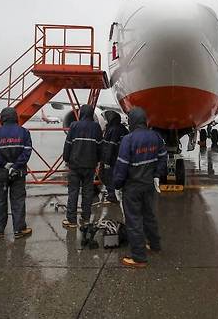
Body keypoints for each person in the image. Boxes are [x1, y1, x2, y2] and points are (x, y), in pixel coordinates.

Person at [113, 107, 166, 268]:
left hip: (133, 187)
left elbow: (121, 166)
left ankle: (139, 257)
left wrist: (117, 185)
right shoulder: (156, 137)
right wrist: (157, 174)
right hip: (148, 185)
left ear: (132, 121)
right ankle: (155, 245)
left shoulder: (128, 139)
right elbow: (163, 157)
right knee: (149, 216)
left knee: (134, 220)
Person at [0, 107, 32, 239]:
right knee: (18, 200)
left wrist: (4, 164)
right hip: (18, 173)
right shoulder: (24, 132)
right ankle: (19, 230)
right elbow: (27, 151)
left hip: (0, 172)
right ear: (15, 117)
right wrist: (16, 166)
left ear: (2, 118)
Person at [62, 104, 103, 228]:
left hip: (75, 165)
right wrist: (97, 160)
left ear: (81, 113)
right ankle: (86, 218)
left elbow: (68, 144)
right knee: (87, 192)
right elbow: (100, 147)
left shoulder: (74, 126)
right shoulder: (96, 127)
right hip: (90, 166)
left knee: (73, 192)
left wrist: (67, 159)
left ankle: (71, 220)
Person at [101, 110, 128, 204]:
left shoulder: (112, 129)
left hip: (112, 159)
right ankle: (118, 193)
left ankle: (112, 196)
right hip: (122, 158)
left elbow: (110, 147)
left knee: (108, 177)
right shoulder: (123, 128)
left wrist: (106, 161)